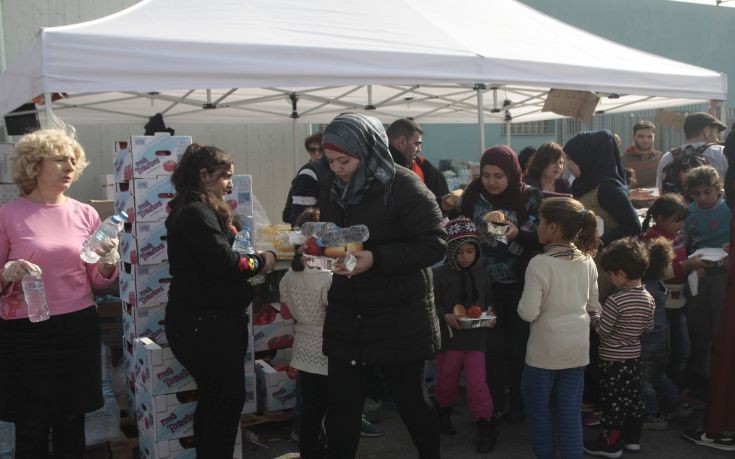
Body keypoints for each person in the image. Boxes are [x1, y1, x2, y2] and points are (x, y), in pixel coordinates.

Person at [319, 113, 446, 459]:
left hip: (400, 316)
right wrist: (321, 245)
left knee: (411, 403)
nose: (336, 169)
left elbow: (435, 243)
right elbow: (337, 233)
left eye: (343, 160)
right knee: (343, 407)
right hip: (349, 313)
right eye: (330, 162)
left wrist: (377, 258)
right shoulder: (335, 187)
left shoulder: (405, 186)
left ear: (369, 149)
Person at [0, 128, 119, 457]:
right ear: (35, 165)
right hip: (26, 332)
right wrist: (7, 273)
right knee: (31, 423)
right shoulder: (8, 215)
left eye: (73, 160)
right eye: (60, 160)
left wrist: (108, 262)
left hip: (76, 327)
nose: (69, 166)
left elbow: (96, 279)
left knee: (71, 419)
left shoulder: (85, 213)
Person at [164, 143, 276, 459]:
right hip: (206, 326)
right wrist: (262, 260)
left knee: (217, 400)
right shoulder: (196, 212)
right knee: (225, 401)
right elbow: (226, 262)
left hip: (209, 323)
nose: (229, 183)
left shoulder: (195, 209)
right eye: (225, 176)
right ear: (203, 175)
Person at [459, 145, 544, 424]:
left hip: (521, 284)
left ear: (511, 173)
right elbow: (461, 235)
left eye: (498, 175)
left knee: (519, 348)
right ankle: (494, 405)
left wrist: (518, 233)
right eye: (486, 175)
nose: (492, 181)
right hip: (484, 286)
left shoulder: (529, 196)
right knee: (491, 349)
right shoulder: (472, 195)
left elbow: (541, 239)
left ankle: (519, 403)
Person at [517, 197, 601, 459]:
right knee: (569, 412)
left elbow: (528, 312)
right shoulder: (587, 261)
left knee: (539, 412)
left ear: (553, 227)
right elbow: (593, 305)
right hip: (576, 351)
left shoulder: (540, 264)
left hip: (543, 354)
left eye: (539, 221)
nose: (536, 226)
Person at [585, 237, 655, 458]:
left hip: (613, 361)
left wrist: (595, 315)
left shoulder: (616, 301)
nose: (610, 278)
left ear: (621, 274)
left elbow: (603, 330)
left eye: (611, 274)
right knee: (633, 399)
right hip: (634, 359)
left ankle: (610, 443)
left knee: (611, 401)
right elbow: (648, 328)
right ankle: (632, 440)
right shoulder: (648, 298)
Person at [432, 217, 497, 453]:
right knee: (446, 381)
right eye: (460, 252)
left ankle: (485, 424)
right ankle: (442, 414)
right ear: (451, 252)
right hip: (450, 339)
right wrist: (445, 316)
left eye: (471, 251)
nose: (466, 257)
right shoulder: (439, 275)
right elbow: (432, 304)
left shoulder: (481, 271)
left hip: (476, 338)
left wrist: (490, 314)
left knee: (476, 383)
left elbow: (489, 300)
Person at [279, 208, 333, 459]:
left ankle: (308, 453)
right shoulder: (328, 277)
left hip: (302, 347)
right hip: (329, 348)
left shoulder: (289, 276)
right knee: (334, 408)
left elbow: (287, 314)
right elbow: (333, 314)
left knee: (309, 409)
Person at [640, 194, 703, 393]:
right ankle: (666, 391)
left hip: (679, 301)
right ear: (660, 218)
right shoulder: (651, 239)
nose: (680, 224)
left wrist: (693, 269)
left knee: (683, 347)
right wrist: (686, 266)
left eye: (682, 220)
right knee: (664, 350)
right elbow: (658, 271)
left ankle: (677, 388)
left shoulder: (677, 237)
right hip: (662, 305)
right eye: (676, 219)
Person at [681, 165, 730, 403]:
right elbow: (685, 243)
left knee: (720, 327)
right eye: (697, 193)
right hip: (698, 275)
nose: (702, 198)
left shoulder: (727, 210)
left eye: (707, 192)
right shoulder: (689, 213)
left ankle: (719, 380)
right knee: (698, 329)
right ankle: (701, 380)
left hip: (722, 274)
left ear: (718, 190)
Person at [637, 237, 692, 430]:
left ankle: (653, 416)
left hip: (647, 346)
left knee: (643, 382)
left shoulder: (645, 290)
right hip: (662, 343)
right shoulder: (659, 284)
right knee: (660, 376)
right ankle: (677, 404)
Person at [386, 118, 455, 214]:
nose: (419, 149)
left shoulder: (423, 166)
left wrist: (440, 203)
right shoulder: (379, 168)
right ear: (402, 142)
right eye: (417, 144)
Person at [656, 112, 728, 196]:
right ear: (706, 131)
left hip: (675, 208)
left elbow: (659, 191)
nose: (717, 139)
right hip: (713, 209)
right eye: (716, 133)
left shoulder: (667, 157)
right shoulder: (721, 153)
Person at [282, 132, 333, 226]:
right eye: (312, 149)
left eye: (320, 149)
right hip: (309, 232)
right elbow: (301, 215)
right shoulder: (309, 173)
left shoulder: (327, 170)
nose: (317, 153)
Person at [622, 120, 662, 188]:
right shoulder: (623, 161)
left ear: (654, 137)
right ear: (634, 136)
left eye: (649, 137)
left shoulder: (660, 157)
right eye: (641, 136)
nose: (645, 140)